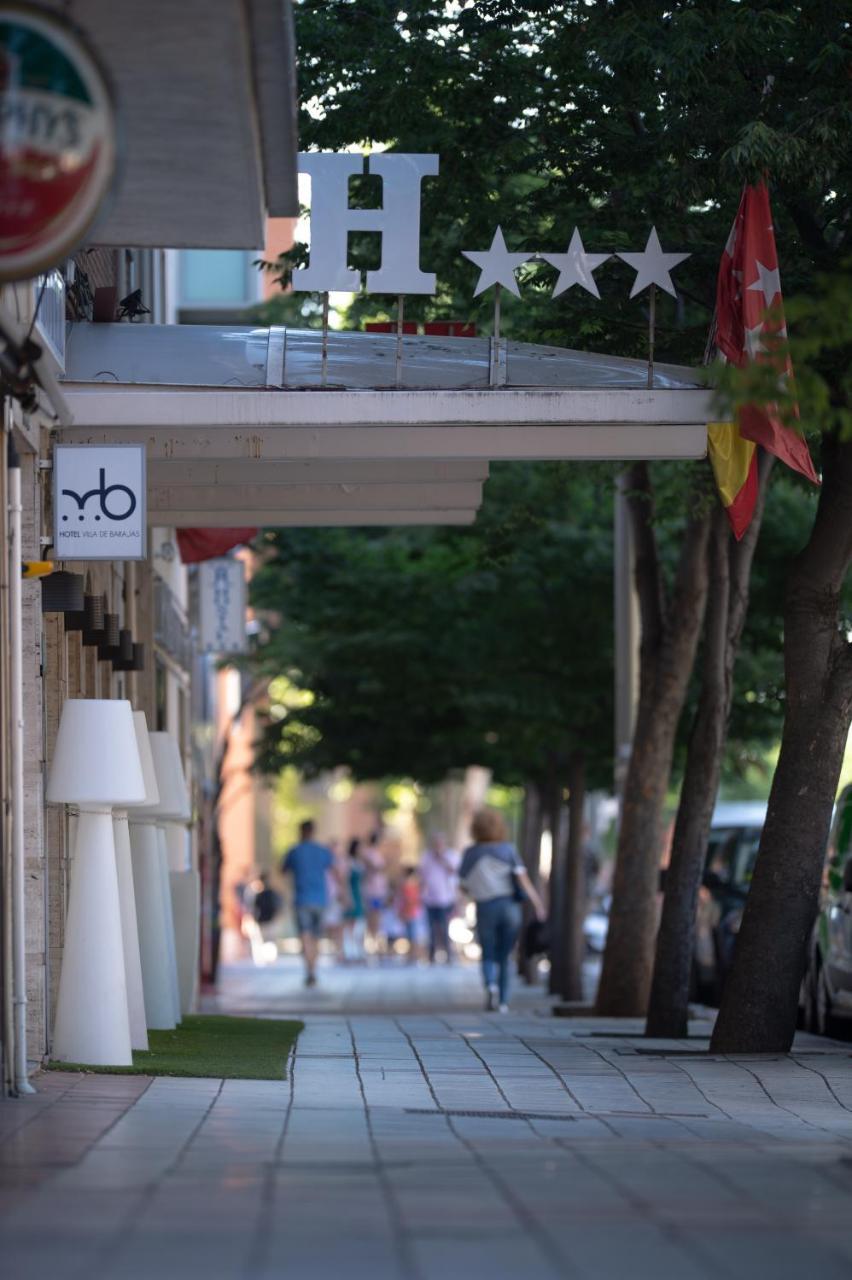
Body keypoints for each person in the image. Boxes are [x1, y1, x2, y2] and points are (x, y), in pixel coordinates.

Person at [460, 808, 546, 1013]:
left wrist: (476, 891)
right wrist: (538, 904)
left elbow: (463, 885)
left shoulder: (470, 853)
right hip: (509, 907)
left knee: (487, 952)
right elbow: (523, 880)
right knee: (505, 955)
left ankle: (490, 985)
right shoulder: (508, 850)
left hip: (484, 907)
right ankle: (504, 1001)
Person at [281, 819, 335, 987]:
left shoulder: (294, 851)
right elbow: (335, 870)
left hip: (302, 899)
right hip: (320, 900)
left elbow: (282, 870)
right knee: (316, 937)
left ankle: (309, 970)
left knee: (305, 935)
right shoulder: (322, 851)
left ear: (301, 831)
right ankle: (313, 969)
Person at [419, 833, 461, 963]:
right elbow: (422, 874)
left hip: (445, 898)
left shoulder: (451, 855)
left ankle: (448, 954)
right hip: (429, 898)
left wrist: (441, 858)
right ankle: (432, 955)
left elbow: (454, 871)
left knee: (444, 927)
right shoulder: (426, 856)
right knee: (431, 927)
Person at [362, 830, 388, 953]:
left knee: (377, 916)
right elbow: (374, 867)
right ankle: (370, 942)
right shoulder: (367, 853)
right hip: (371, 890)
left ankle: (376, 941)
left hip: (379, 891)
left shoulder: (378, 853)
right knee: (371, 916)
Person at [343, 838, 366, 962]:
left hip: (359, 894)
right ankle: (349, 951)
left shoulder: (360, 863)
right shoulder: (349, 863)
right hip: (352, 894)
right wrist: (347, 896)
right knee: (350, 923)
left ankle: (358, 949)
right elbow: (345, 880)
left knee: (359, 923)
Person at [396, 867, 423, 962]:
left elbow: (407, 899)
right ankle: (412, 954)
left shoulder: (407, 885)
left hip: (410, 912)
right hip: (412, 912)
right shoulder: (415, 884)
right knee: (411, 934)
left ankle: (414, 954)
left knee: (412, 934)